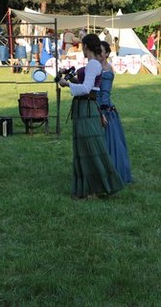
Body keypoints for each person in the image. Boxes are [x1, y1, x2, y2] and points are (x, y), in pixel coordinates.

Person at [57, 34, 124, 199]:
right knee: (83, 150)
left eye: (82, 45)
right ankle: (87, 190)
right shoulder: (91, 64)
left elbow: (87, 89)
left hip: (87, 109)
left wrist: (67, 84)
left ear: (86, 46)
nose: (81, 49)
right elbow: (87, 85)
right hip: (82, 108)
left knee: (91, 149)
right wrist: (69, 78)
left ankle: (95, 189)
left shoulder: (93, 64)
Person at [97, 41, 133, 183]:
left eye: (101, 51)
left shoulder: (107, 70)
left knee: (108, 143)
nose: (99, 54)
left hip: (104, 110)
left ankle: (110, 174)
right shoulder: (96, 67)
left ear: (106, 54)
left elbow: (104, 94)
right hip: (97, 106)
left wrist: (102, 112)